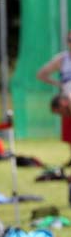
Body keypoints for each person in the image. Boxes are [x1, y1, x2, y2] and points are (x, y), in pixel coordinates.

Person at [37, 31, 71, 163]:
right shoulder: (62, 59)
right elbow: (41, 74)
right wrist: (58, 84)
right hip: (67, 101)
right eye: (69, 40)